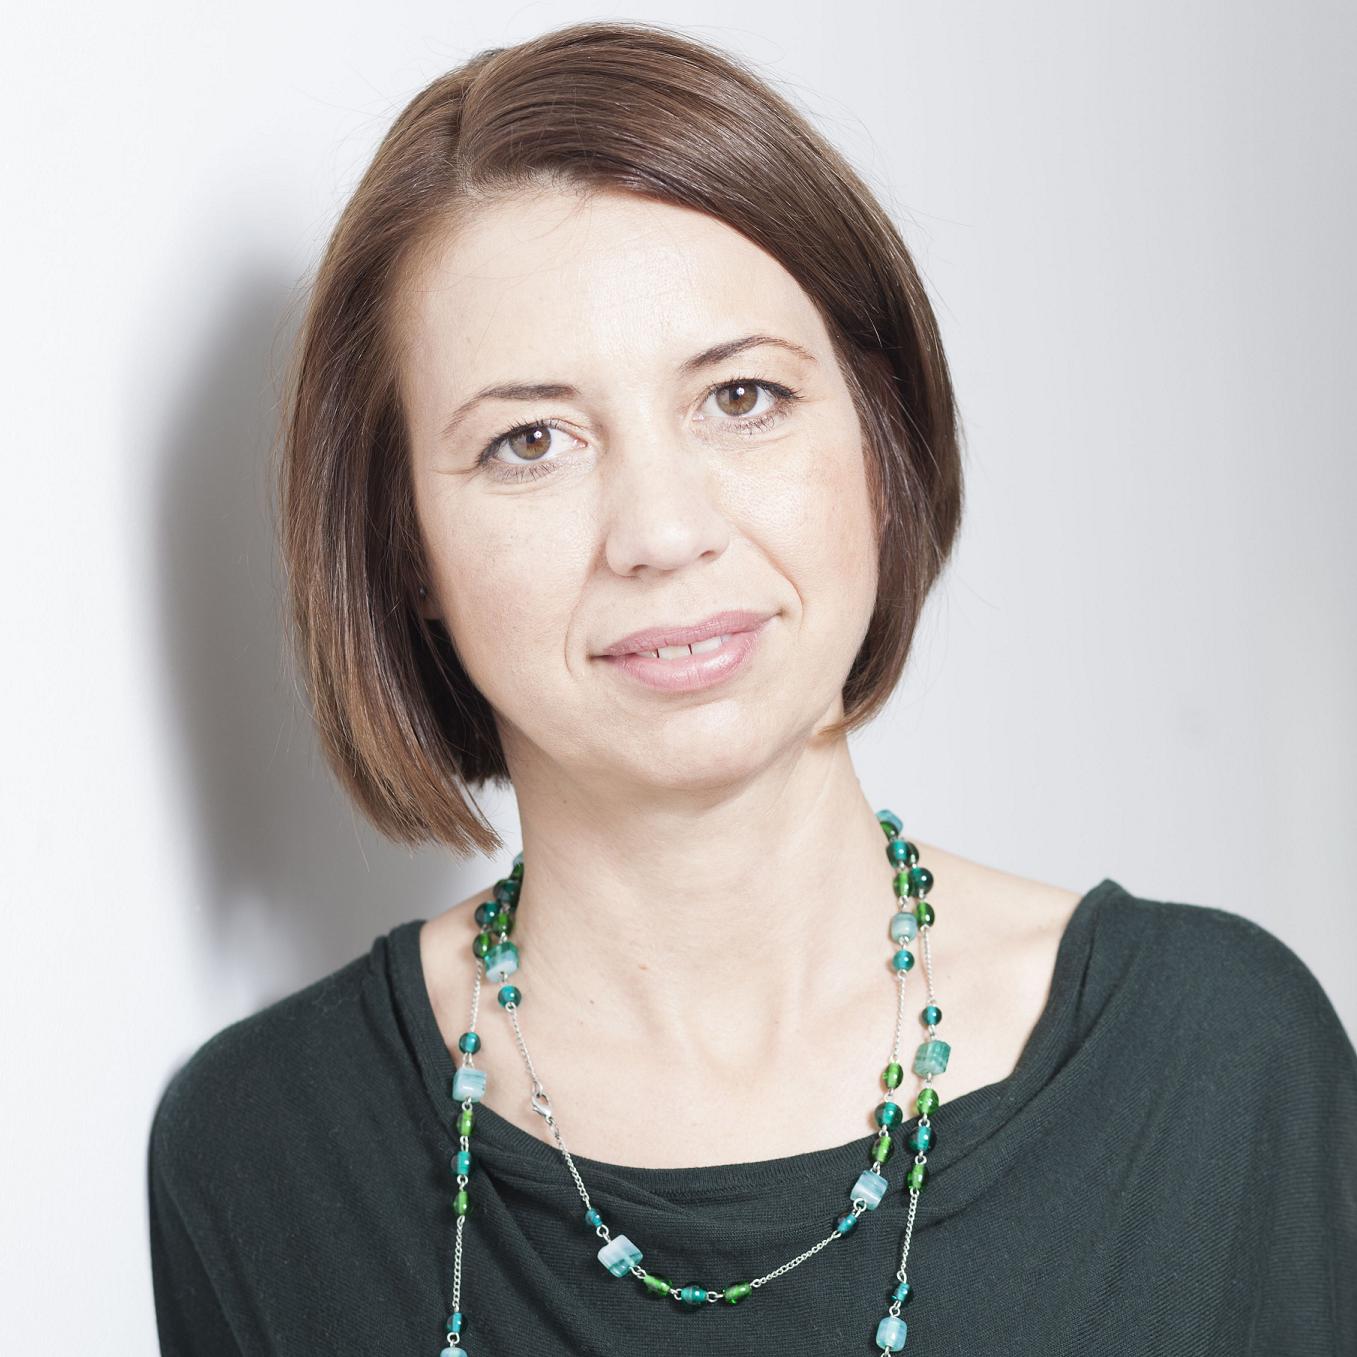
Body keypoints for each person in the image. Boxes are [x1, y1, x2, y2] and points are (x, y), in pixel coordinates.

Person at [146, 19, 1357, 1356]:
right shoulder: (260, 1149)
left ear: (880, 442)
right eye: (530, 440)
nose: (662, 532)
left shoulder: (1217, 1058)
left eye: (740, 397)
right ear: (403, 546)